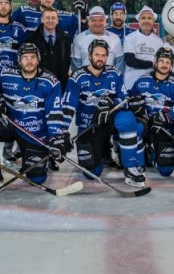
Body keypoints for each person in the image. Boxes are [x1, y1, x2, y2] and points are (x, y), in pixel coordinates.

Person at [63, 39, 147, 187]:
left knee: (129, 121)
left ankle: (131, 167)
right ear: (89, 55)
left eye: (103, 55)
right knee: (92, 173)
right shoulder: (77, 76)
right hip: (89, 125)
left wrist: (110, 103)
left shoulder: (113, 72)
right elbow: (68, 107)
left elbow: (125, 99)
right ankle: (101, 151)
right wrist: (61, 132)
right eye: (97, 54)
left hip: (110, 121)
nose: (100, 58)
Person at [0, 42, 66, 188]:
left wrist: (55, 138)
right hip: (11, 124)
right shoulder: (6, 74)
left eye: (33, 57)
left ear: (38, 59)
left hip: (35, 133)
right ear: (19, 60)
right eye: (25, 57)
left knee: (37, 180)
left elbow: (54, 113)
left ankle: (40, 157)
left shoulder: (50, 81)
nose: (29, 61)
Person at [129, 47, 174, 180]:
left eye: (168, 62)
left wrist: (167, 116)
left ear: (172, 64)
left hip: (166, 127)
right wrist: (136, 107)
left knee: (165, 170)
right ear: (155, 62)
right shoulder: (143, 80)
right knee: (135, 127)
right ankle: (138, 162)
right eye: (161, 61)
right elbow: (131, 99)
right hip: (148, 124)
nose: (164, 64)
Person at [11, 0, 78, 38]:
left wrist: (83, 14)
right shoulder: (25, 12)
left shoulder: (68, 17)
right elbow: (7, 22)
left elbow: (82, 31)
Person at [71, 6, 124, 72]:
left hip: (109, 80)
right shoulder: (79, 38)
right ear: (88, 22)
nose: (97, 23)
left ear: (105, 22)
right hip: (85, 80)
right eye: (93, 20)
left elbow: (119, 65)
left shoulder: (115, 38)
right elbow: (76, 65)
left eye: (101, 20)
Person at [123, 6, 164, 89]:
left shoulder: (159, 41)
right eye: (143, 18)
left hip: (152, 85)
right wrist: (152, 64)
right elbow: (130, 61)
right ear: (138, 21)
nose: (146, 21)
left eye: (149, 18)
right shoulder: (130, 38)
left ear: (153, 21)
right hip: (131, 83)